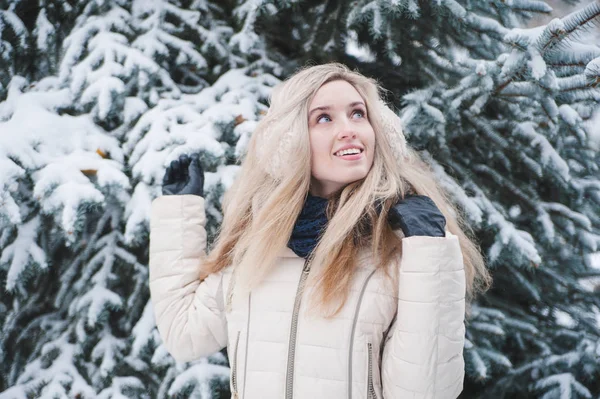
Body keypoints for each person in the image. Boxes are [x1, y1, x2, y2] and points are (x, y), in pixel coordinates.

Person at [149, 62, 492, 399]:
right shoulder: (259, 245)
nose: (349, 129)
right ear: (290, 140)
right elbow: (185, 333)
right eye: (324, 118)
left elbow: (425, 392)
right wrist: (179, 211)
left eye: (358, 114)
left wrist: (431, 252)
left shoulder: (401, 247)